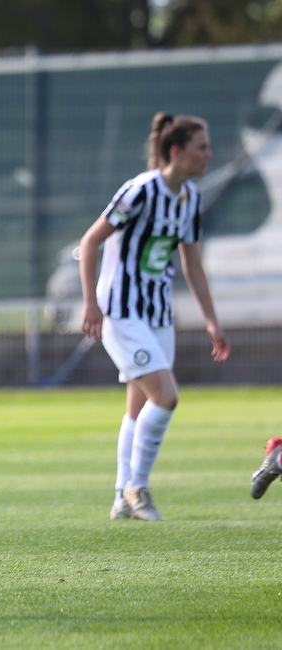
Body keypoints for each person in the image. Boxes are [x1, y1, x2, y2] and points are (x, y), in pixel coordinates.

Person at [79, 112, 230, 522]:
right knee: (167, 395)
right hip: (121, 310)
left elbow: (192, 264)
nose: (209, 155)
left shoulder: (191, 198)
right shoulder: (141, 191)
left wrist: (211, 321)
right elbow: (90, 241)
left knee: (139, 406)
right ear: (176, 152)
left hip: (158, 314)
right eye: (202, 147)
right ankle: (137, 489)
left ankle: (118, 498)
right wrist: (91, 303)